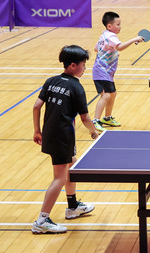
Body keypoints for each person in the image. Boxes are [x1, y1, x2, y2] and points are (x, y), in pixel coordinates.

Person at [31, 45, 101, 234]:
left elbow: (36, 106)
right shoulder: (76, 87)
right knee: (59, 178)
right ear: (72, 65)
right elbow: (85, 118)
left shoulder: (51, 81)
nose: (85, 68)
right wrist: (94, 133)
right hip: (62, 137)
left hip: (50, 134)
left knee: (72, 165)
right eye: (83, 64)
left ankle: (72, 206)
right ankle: (42, 221)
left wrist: (37, 131)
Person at [91, 11, 145, 133]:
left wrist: (112, 52)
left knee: (112, 94)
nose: (120, 27)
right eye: (118, 24)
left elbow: (96, 49)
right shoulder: (111, 36)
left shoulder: (104, 35)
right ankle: (95, 121)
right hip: (101, 71)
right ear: (109, 26)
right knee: (106, 95)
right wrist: (134, 39)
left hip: (106, 72)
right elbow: (120, 47)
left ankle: (107, 118)